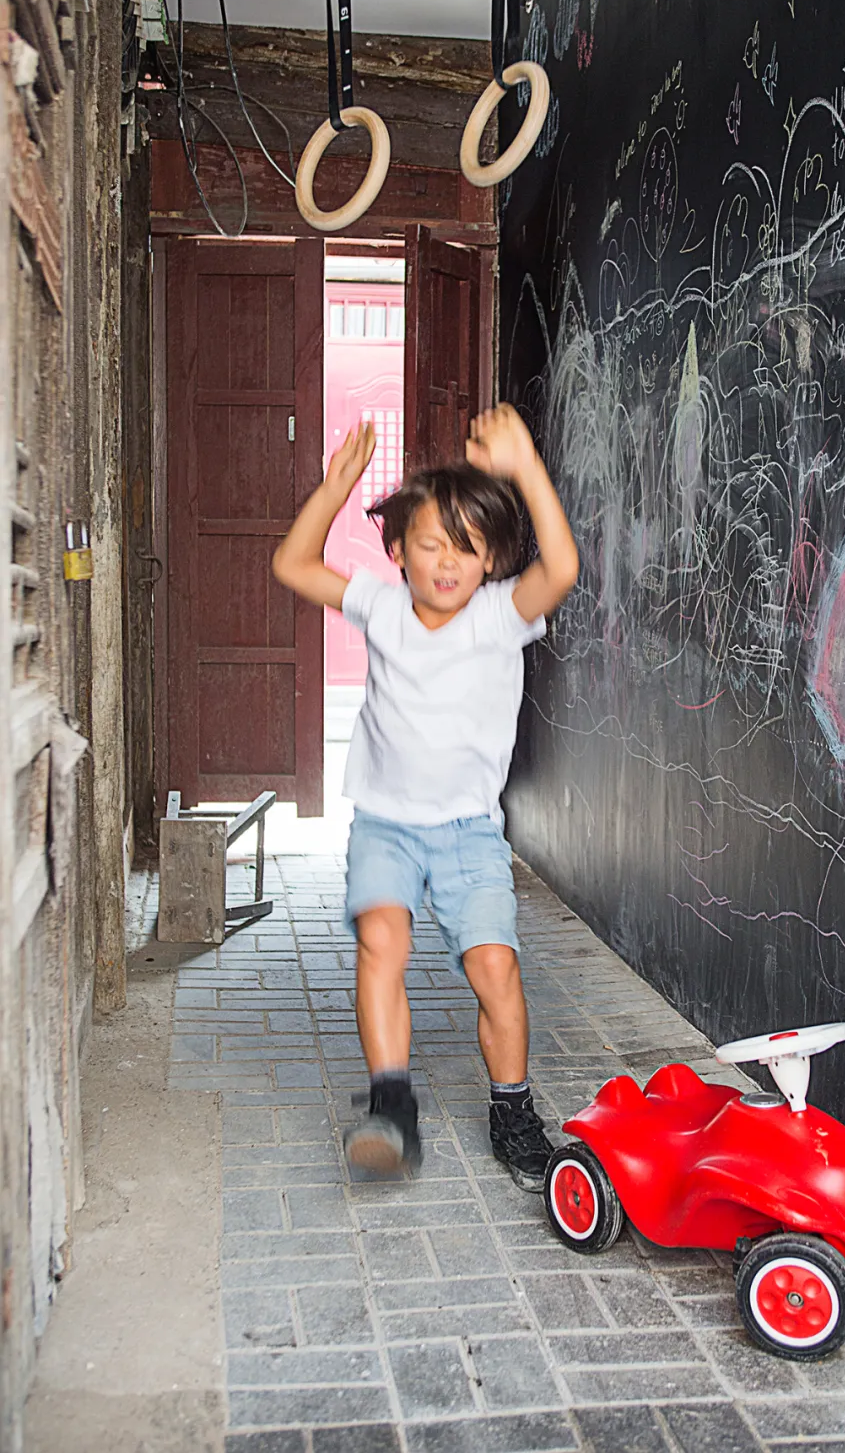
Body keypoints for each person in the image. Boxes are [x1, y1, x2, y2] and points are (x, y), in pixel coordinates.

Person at [271, 404, 578, 1190]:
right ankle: (391, 1110)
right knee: (382, 944)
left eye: (467, 548)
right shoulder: (380, 605)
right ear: (399, 550)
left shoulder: (499, 617)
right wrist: (335, 487)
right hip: (386, 825)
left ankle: (513, 1112)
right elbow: (294, 565)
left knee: (494, 968)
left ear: (490, 560)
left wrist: (524, 467)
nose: (448, 563)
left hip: (469, 830)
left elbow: (561, 570)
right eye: (431, 544)